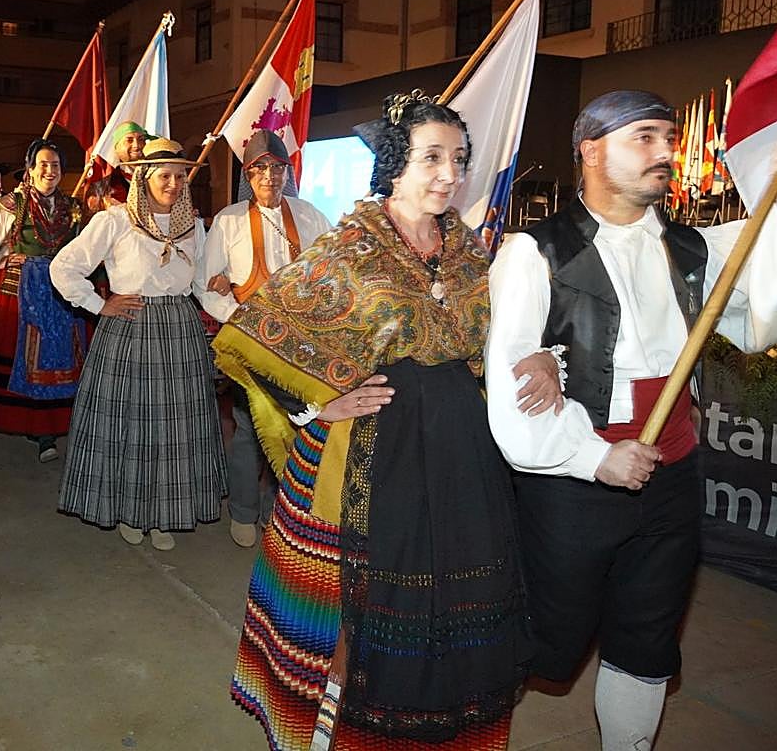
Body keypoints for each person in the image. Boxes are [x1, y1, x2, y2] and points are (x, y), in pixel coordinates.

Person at [215, 95, 556, 750]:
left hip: (463, 458)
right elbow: (253, 336)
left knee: (459, 608)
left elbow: (507, 337)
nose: (448, 174)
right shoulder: (351, 244)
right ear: (395, 164)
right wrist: (316, 407)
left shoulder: (467, 251)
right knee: (360, 613)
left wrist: (542, 351)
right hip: (373, 454)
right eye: (430, 157)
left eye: (458, 159)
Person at [484, 90, 777, 751]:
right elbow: (511, 383)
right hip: (572, 483)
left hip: (672, 477)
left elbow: (763, 301)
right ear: (591, 149)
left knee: (647, 635)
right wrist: (592, 458)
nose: (666, 153)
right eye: (644, 137)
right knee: (545, 635)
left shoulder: (693, 249)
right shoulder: (536, 253)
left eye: (668, 139)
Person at [52, 138, 227, 551]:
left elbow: (200, 283)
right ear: (144, 177)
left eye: (180, 176)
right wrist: (99, 303)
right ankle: (131, 512)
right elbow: (64, 267)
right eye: (164, 175)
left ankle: (163, 515)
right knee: (131, 427)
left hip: (180, 331)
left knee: (175, 431)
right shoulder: (115, 221)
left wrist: (221, 288)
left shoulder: (193, 225)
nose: (173, 183)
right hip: (131, 327)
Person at [198, 130, 332, 548]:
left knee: (301, 425)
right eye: (259, 170)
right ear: (248, 176)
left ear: (286, 173)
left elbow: (332, 272)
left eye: (276, 169)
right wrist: (237, 318)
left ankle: (286, 512)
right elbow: (203, 285)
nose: (269, 177)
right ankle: (243, 511)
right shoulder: (229, 221)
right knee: (247, 428)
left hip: (301, 346)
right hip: (251, 343)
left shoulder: (310, 216)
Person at [0, 139, 85, 463]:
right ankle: (40, 430)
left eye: (56, 165)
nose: (50, 171)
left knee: (62, 356)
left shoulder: (72, 207)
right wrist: (0, 259)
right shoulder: (13, 203)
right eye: (43, 164)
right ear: (30, 169)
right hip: (23, 292)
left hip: (61, 290)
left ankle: (61, 423)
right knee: (28, 358)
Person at [84, 121, 148, 218]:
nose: (137, 145)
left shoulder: (155, 175)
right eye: (129, 140)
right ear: (117, 147)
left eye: (141, 139)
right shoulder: (105, 181)